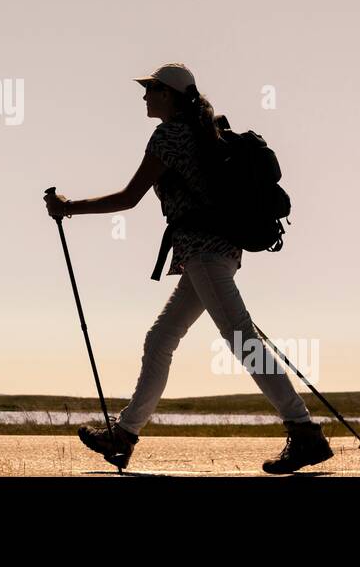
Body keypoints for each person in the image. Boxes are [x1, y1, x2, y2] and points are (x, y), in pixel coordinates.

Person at [42, 63, 333, 474]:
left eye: (151, 89)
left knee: (242, 341)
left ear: (169, 96)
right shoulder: (203, 130)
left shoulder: (171, 135)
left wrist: (68, 208)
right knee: (160, 339)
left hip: (205, 253)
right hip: (215, 252)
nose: (144, 96)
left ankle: (304, 432)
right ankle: (124, 436)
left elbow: (129, 198)